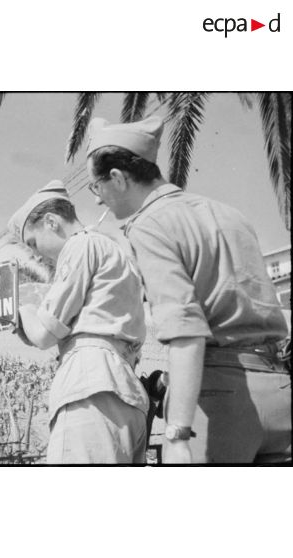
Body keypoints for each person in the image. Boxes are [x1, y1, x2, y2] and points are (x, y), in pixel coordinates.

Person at [85, 115, 291, 464]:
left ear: (117, 179)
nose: (98, 201)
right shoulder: (230, 214)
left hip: (220, 401)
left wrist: (178, 432)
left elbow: (186, 333)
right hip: (280, 391)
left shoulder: (149, 224)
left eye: (96, 187)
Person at [7, 180, 149, 464]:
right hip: (124, 391)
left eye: (33, 242)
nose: (35, 254)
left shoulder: (79, 245)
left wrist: (21, 310)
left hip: (91, 386)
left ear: (51, 221)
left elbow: (44, 334)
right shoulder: (111, 250)